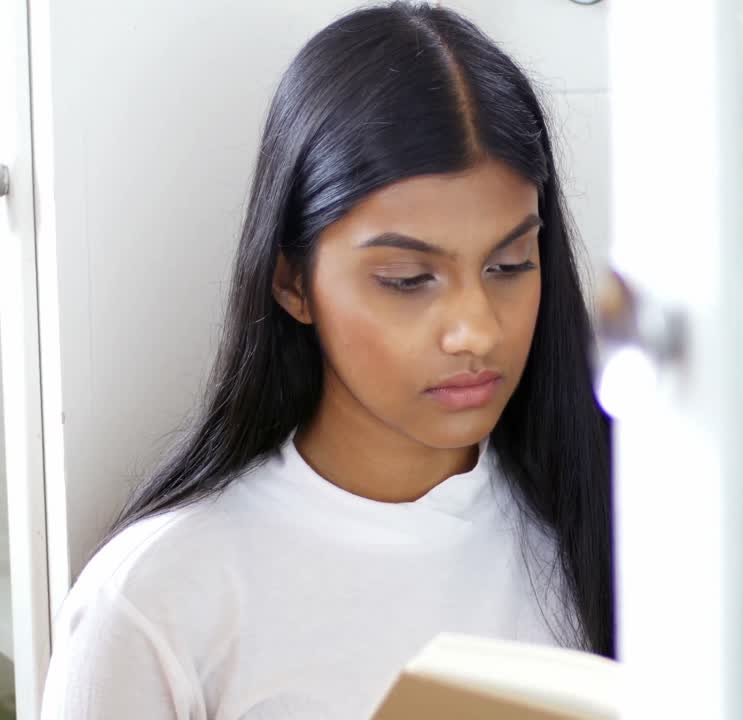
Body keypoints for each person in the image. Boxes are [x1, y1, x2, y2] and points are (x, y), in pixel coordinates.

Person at [41, 3, 613, 717]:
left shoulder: (610, 528)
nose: (475, 330)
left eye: (510, 264)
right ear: (292, 282)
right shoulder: (154, 601)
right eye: (407, 279)